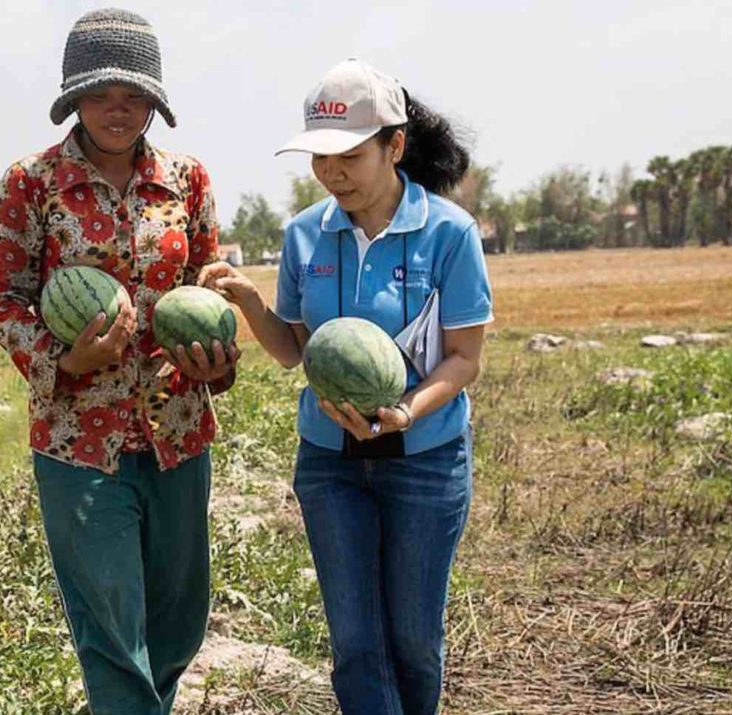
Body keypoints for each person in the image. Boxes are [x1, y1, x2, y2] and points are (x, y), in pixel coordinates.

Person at [199, 58, 492, 715]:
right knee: (356, 642)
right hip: (330, 463)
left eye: (348, 157)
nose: (331, 174)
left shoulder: (449, 232)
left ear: (394, 145)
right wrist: (250, 301)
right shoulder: (306, 233)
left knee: (413, 641)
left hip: (425, 460)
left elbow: (464, 358)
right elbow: (295, 351)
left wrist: (407, 412)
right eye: (319, 159)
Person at [0, 9, 236, 714]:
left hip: (178, 429)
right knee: (113, 634)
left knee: (179, 625)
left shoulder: (188, 180)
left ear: (154, 101)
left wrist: (217, 356)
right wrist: (64, 359)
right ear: (74, 100)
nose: (117, 110)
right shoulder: (31, 183)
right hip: (78, 439)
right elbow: (3, 298)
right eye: (100, 95)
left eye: (132, 95)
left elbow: (209, 280)